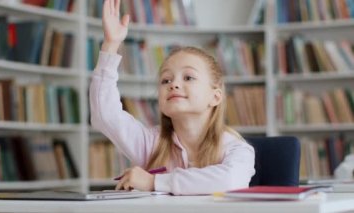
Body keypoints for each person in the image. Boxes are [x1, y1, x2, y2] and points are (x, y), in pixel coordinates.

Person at [90, 0, 255, 195]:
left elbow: (231, 179)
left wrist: (155, 182)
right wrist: (111, 44)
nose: (174, 84)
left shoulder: (235, 147)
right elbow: (105, 114)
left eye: (188, 77)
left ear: (215, 97)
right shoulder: (150, 143)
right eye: (166, 80)